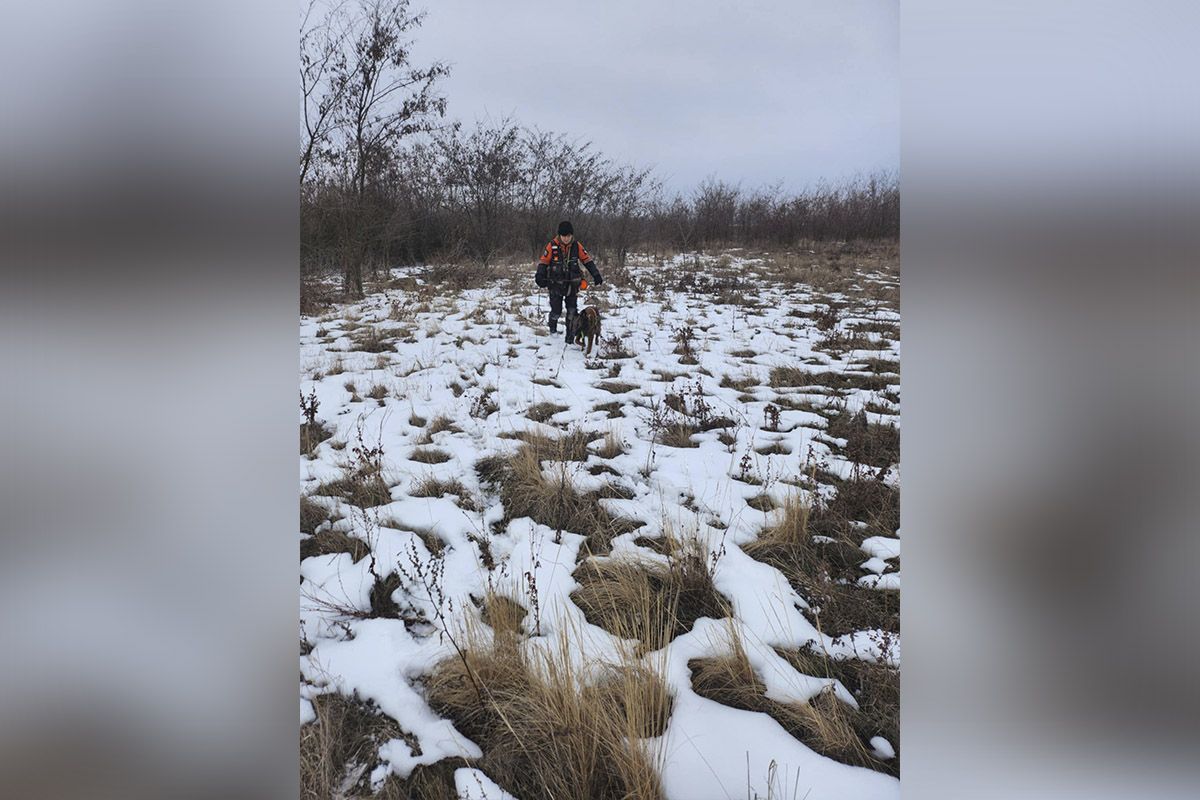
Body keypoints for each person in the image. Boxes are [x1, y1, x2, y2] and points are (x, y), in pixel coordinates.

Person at [534, 220, 603, 342]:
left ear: (572, 235)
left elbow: (587, 260)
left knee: (572, 311)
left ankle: (570, 336)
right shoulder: (552, 246)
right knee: (556, 311)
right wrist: (540, 275)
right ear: (560, 235)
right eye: (564, 236)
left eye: (568, 236)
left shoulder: (577, 246)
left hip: (572, 285)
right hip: (555, 285)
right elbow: (543, 262)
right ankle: (553, 330)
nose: (566, 238)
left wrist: (596, 274)